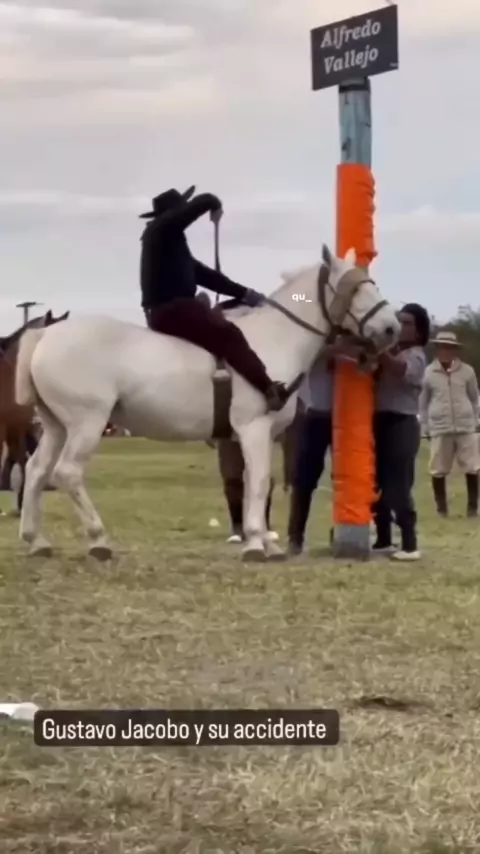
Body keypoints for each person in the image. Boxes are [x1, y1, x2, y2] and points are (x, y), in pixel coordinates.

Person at [139, 186, 288, 412]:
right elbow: (202, 202)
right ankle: (268, 390)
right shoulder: (162, 230)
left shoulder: (169, 244)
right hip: (173, 309)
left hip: (167, 310)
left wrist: (244, 293)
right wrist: (214, 203)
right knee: (230, 334)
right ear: (174, 212)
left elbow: (208, 277)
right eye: (181, 208)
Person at [287, 335, 361, 555]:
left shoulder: (351, 346)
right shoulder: (314, 344)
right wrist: (338, 348)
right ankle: (295, 536)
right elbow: (311, 353)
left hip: (347, 417)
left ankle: (342, 533)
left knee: (346, 479)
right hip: (315, 415)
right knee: (304, 480)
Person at [372, 303, 430, 561]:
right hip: (380, 420)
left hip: (402, 423)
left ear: (419, 331)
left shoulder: (417, 355)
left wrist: (378, 349)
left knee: (398, 485)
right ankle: (383, 538)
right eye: (399, 321)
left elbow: (399, 370)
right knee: (377, 483)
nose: (401, 326)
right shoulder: (394, 351)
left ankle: (409, 543)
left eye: (407, 323)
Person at [419, 330, 479, 517]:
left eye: (450, 348)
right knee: (438, 469)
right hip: (440, 426)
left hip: (465, 426)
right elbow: (423, 402)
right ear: (437, 349)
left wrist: (475, 420)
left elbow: (474, 398)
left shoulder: (467, 371)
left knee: (472, 467)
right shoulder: (428, 372)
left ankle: (472, 508)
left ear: (455, 350)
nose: (446, 351)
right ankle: (441, 510)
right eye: (442, 347)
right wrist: (425, 426)